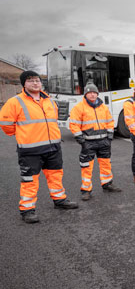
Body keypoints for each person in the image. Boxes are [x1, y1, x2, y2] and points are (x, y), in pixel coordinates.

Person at [0, 70, 78, 223]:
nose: (35, 83)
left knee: (56, 176)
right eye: (30, 80)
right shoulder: (15, 102)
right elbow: (6, 124)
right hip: (30, 150)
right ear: (24, 84)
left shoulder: (49, 100)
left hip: (53, 148)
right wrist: (24, 135)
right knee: (30, 181)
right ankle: (27, 210)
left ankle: (59, 200)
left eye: (37, 80)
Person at [69, 83, 122, 201]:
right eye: (89, 93)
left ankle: (107, 184)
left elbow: (110, 121)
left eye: (94, 92)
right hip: (88, 143)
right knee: (87, 167)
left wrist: (109, 137)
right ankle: (86, 190)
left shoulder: (103, 107)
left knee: (106, 164)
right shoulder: (79, 108)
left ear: (97, 94)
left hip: (103, 141)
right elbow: (74, 124)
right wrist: (81, 140)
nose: (92, 95)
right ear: (86, 94)